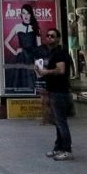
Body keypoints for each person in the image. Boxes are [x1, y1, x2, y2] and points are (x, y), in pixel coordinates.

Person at [35, 27, 73, 161]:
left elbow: (61, 70)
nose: (49, 38)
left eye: (52, 36)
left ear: (58, 39)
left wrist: (46, 72)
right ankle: (59, 148)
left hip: (60, 91)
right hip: (53, 90)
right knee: (57, 122)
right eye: (48, 36)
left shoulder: (59, 53)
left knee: (61, 121)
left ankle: (67, 150)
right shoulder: (51, 54)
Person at [5, 3, 40, 93]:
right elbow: (6, 42)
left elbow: (39, 47)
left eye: (27, 13)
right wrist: (15, 52)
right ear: (21, 15)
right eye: (23, 13)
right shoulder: (17, 27)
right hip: (21, 58)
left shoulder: (35, 27)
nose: (25, 16)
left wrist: (39, 64)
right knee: (19, 82)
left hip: (31, 58)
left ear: (31, 14)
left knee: (32, 83)